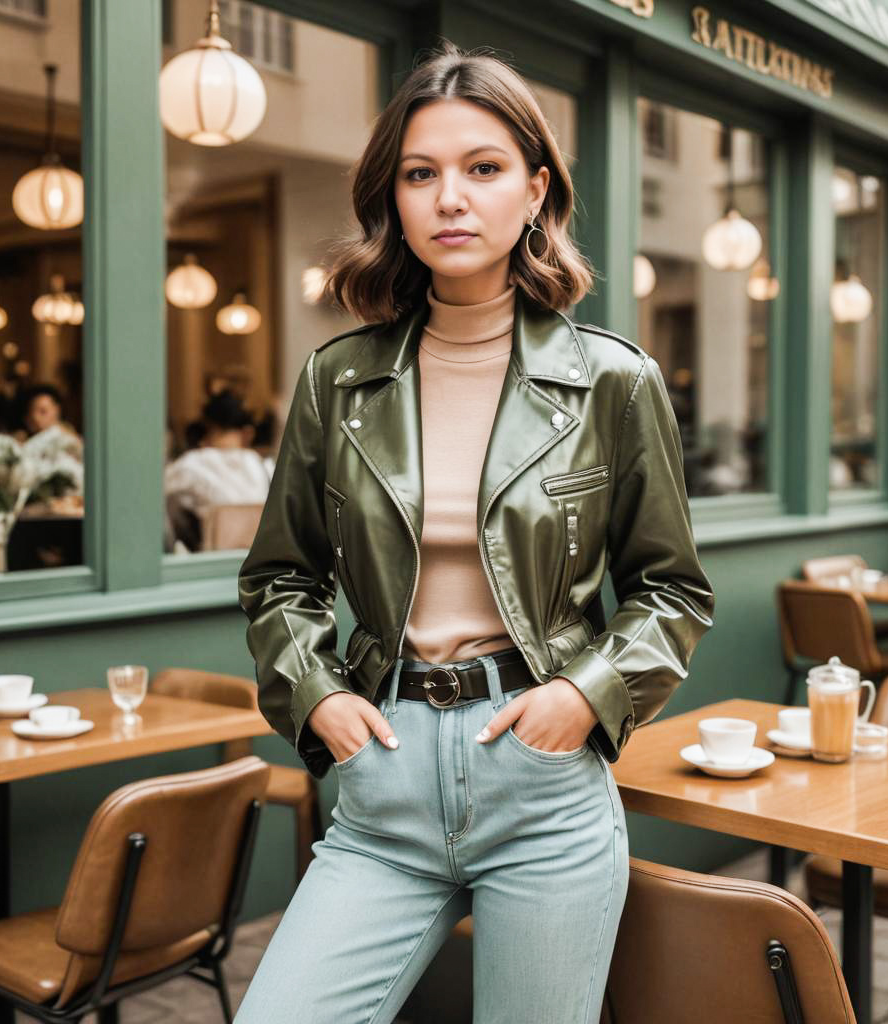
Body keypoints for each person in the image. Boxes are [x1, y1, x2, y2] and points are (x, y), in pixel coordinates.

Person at [235, 38, 714, 1024]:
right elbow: (279, 578)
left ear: (534, 191)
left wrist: (584, 696)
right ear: (395, 199)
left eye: (482, 168)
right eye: (421, 174)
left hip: (540, 782)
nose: (450, 197)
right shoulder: (340, 378)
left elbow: (672, 590)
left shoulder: (610, 380)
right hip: (383, 780)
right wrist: (319, 699)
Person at [163, 389, 274, 552]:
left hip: (213, 565)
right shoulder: (265, 466)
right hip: (260, 562)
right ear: (248, 433)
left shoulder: (191, 465)